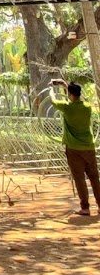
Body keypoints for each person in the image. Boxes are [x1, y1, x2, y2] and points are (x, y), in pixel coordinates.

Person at [49, 78, 100, 218]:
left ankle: (85, 207)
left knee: (79, 179)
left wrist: (51, 89)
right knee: (95, 178)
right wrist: (66, 86)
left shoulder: (67, 107)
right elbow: (78, 98)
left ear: (69, 95)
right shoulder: (87, 107)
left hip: (74, 149)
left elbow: (53, 100)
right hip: (89, 147)